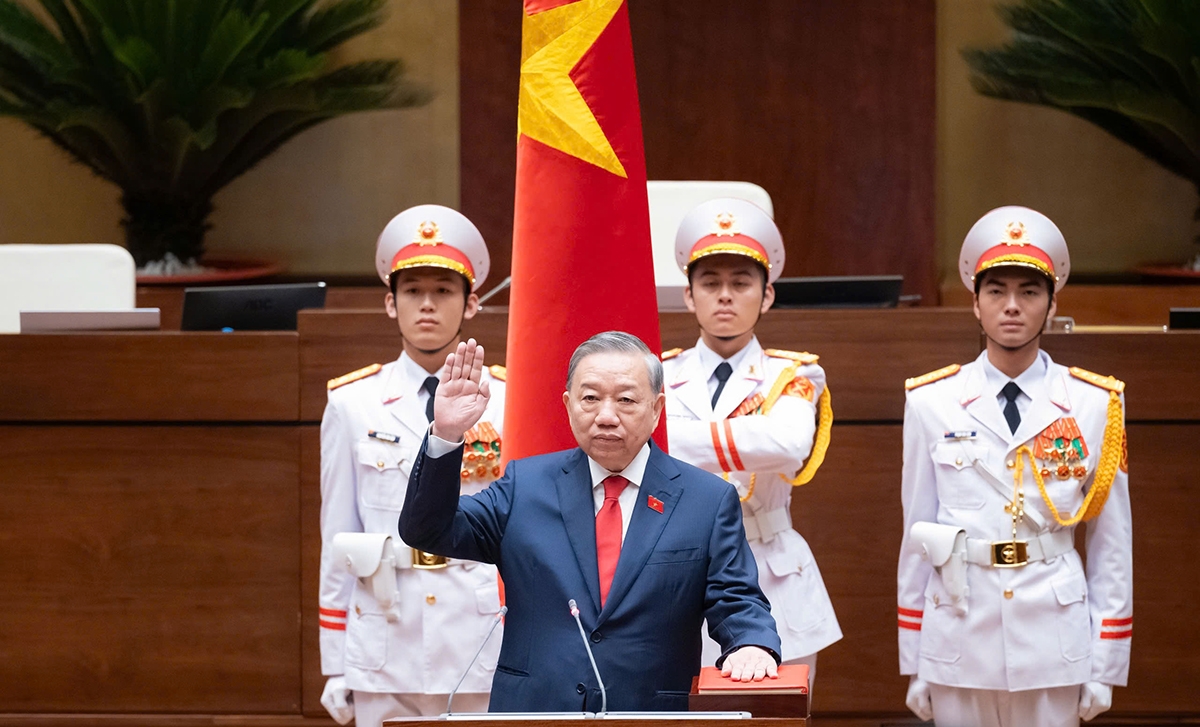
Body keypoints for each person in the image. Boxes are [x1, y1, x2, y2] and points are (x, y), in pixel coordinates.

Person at [399, 331, 782, 712]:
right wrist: (446, 435)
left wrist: (752, 644)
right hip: (535, 714)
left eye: (626, 400)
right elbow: (429, 530)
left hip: (650, 714)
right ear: (568, 405)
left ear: (656, 407)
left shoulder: (707, 500)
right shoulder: (525, 486)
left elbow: (736, 598)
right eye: (590, 398)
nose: (606, 416)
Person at [898, 206, 1132, 727]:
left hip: (1054, 636)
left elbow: (1113, 546)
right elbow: (918, 534)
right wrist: (915, 659)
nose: (1011, 306)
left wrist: (1107, 663)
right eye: (996, 291)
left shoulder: (1095, 404)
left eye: (1029, 291)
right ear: (975, 305)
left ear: (1051, 305)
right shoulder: (931, 401)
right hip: (959, 630)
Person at [318, 205, 507, 726]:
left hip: (477, 633)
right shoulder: (352, 403)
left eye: (444, 291)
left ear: (472, 305)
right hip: (385, 633)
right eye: (412, 291)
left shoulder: (510, 399)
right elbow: (338, 535)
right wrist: (336, 662)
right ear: (389, 303)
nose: (427, 305)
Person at [661, 197, 842, 684]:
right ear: (688, 295)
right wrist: (748, 437)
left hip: (772, 568)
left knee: (773, 715)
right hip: (677, 570)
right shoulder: (656, 373)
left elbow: (786, 444)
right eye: (710, 283)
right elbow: (641, 447)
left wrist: (674, 439)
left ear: (767, 296)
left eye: (741, 283)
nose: (725, 295)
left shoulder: (795, 373)